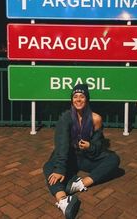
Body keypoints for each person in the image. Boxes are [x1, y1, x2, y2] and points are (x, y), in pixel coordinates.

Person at [43, 84, 121, 219]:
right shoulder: (65, 118)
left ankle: (79, 184)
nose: (78, 99)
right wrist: (60, 168)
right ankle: (63, 200)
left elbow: (98, 145)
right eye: (75, 96)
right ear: (72, 100)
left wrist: (90, 146)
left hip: (86, 158)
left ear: (87, 99)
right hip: (69, 157)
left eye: (82, 96)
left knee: (114, 159)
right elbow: (61, 144)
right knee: (49, 166)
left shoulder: (96, 118)